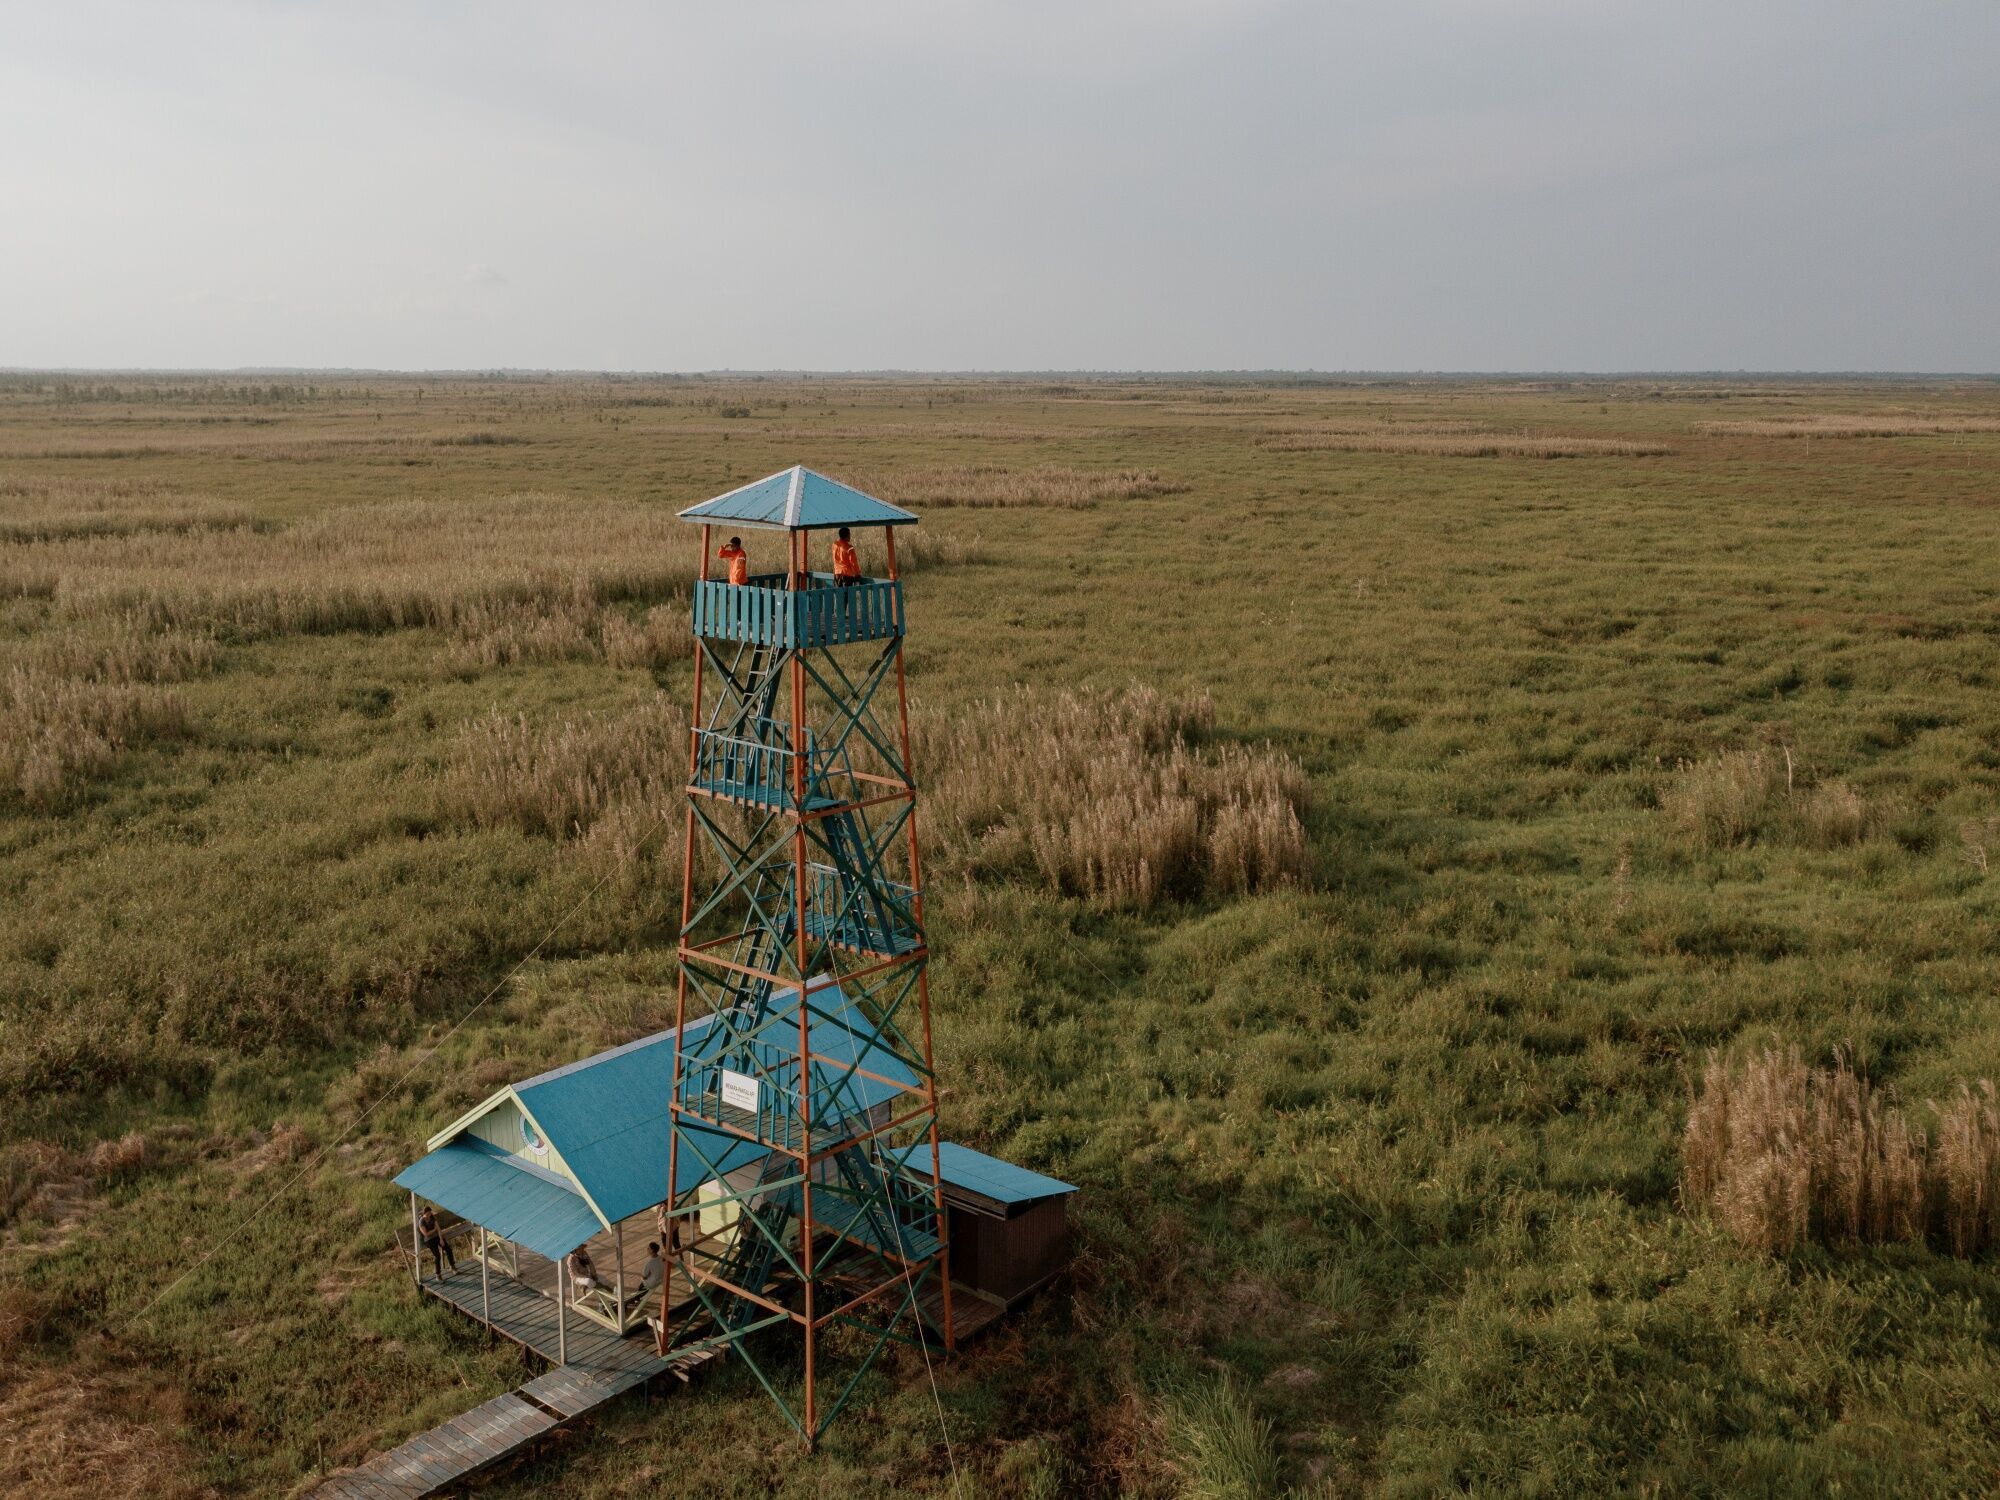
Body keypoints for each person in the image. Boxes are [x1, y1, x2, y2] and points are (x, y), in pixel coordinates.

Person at [418, 1205, 455, 1279]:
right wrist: (434, 1230)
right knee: (437, 1256)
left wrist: (441, 1239)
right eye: (427, 1214)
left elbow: (438, 1229)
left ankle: (452, 1267)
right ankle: (438, 1274)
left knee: (448, 1249)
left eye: (430, 1213)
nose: (429, 1215)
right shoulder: (421, 1221)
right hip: (428, 1240)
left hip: (437, 1237)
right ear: (423, 1214)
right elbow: (426, 1234)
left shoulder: (432, 1217)